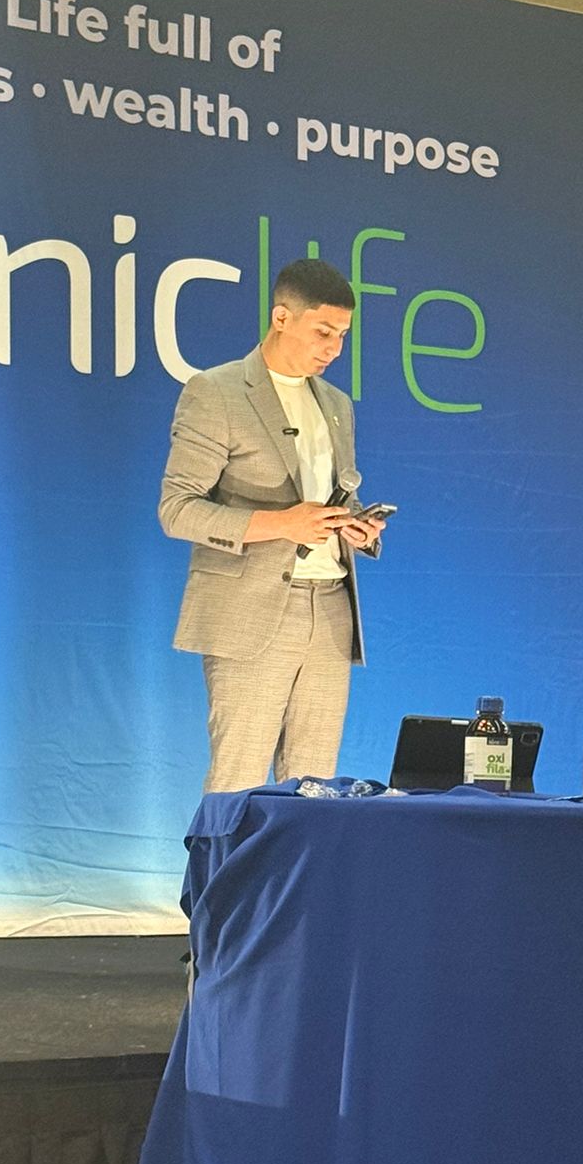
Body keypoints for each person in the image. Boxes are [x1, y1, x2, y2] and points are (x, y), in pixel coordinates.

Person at [158, 257, 385, 792]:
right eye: (323, 332)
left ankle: (298, 859)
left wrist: (356, 527)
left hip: (331, 609)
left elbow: (336, 492)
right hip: (252, 609)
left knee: (315, 787)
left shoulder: (336, 404)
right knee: (237, 782)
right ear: (282, 318)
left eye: (343, 335)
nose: (334, 348)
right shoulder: (216, 392)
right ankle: (221, 856)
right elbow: (177, 509)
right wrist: (283, 523)